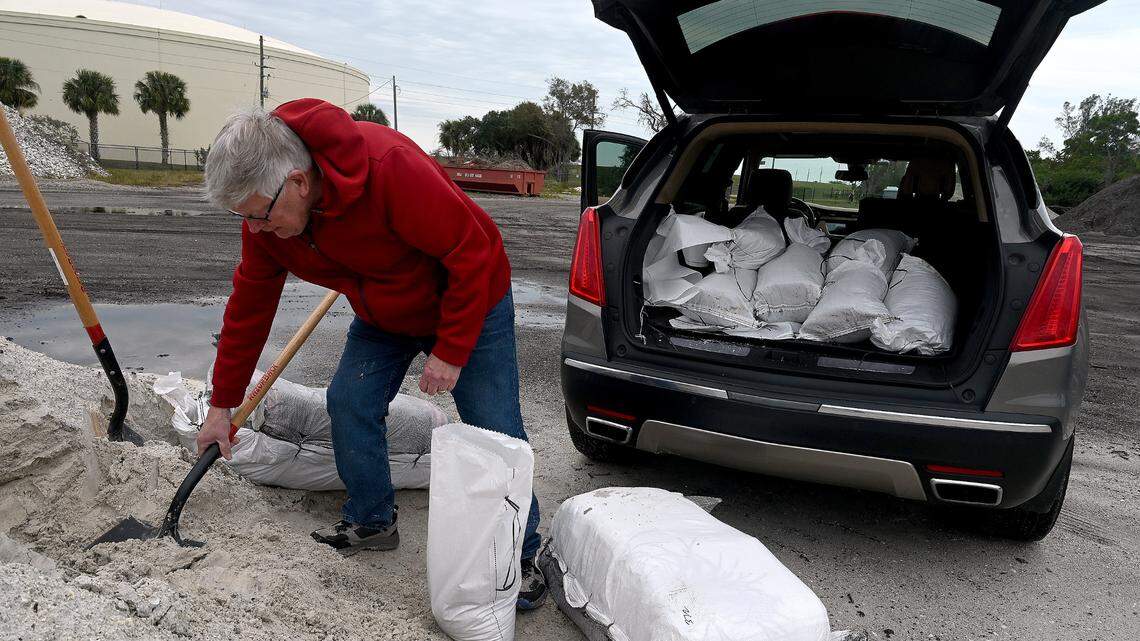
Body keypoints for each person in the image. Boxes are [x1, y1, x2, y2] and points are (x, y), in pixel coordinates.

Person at [196, 98, 546, 610]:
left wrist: (450, 348)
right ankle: (372, 519)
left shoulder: (389, 168)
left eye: (258, 216)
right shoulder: (268, 221)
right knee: (349, 402)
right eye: (242, 218)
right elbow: (249, 304)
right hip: (384, 312)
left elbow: (473, 252)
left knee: (493, 429)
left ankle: (525, 553)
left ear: (297, 182)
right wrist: (222, 405)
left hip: (468, 296)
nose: (254, 230)